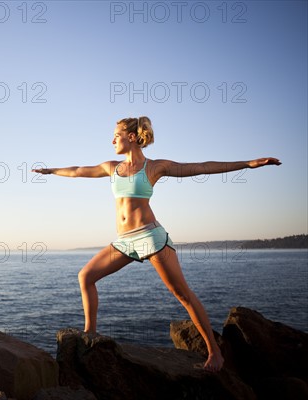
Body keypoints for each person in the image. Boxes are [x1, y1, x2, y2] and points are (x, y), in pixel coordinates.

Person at [32, 116, 281, 372]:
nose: (112, 139)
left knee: (182, 294)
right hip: (125, 241)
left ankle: (215, 353)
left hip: (151, 237)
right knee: (86, 276)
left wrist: (248, 164)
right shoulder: (111, 167)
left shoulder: (154, 167)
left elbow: (201, 167)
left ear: (131, 137)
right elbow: (77, 171)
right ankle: (90, 334)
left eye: (116, 134)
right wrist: (51, 171)